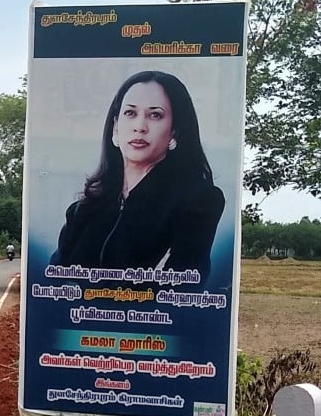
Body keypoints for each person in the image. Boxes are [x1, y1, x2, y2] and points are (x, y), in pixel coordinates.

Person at [50, 70, 224, 281]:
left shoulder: (198, 202)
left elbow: (183, 290)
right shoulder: (83, 211)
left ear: (174, 132)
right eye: (130, 113)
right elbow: (54, 282)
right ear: (115, 127)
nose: (140, 127)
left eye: (155, 115)